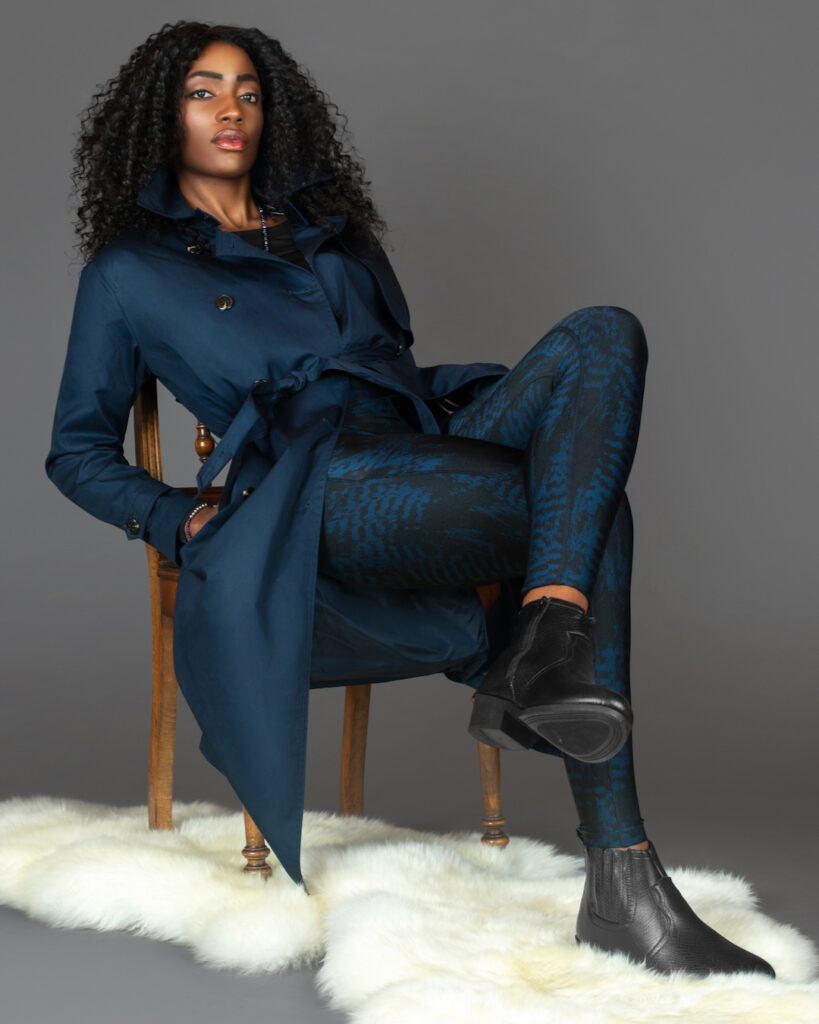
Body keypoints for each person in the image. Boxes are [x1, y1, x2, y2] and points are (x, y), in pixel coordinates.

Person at [45, 20, 774, 978]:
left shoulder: (333, 234)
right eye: (203, 91)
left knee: (605, 332)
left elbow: (392, 369)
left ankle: (546, 644)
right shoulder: (132, 274)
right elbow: (75, 450)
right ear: (160, 115)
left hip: (420, 445)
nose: (232, 109)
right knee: (596, 514)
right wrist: (175, 514)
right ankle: (621, 871)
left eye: (250, 92)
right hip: (317, 490)